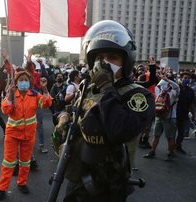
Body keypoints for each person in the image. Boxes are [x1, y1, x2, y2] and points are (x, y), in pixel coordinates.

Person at [61, 20, 155, 201]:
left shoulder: (137, 95)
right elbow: (79, 116)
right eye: (99, 57)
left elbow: (120, 131)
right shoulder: (87, 87)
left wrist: (106, 86)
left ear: (126, 60)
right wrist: (64, 119)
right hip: (77, 176)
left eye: (112, 57)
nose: (104, 63)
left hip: (109, 186)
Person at [0, 70, 52, 201]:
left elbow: (47, 104)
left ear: (30, 82)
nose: (24, 82)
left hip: (28, 135)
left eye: (26, 80)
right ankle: (2, 189)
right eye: (21, 80)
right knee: (9, 163)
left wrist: (45, 89)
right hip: (12, 135)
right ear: (16, 82)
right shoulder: (12, 94)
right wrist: (10, 95)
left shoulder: (35, 95)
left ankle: (22, 183)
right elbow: (6, 110)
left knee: (25, 162)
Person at [143, 76, 179, 161]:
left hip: (170, 118)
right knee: (156, 135)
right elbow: (156, 86)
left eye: (163, 84)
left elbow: (177, 87)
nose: (161, 86)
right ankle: (152, 151)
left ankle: (170, 154)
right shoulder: (160, 92)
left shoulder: (173, 92)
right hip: (159, 117)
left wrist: (168, 80)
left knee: (170, 137)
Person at [175, 72, 195, 154]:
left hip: (184, 114)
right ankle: (171, 148)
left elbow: (191, 103)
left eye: (188, 78)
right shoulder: (176, 88)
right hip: (174, 114)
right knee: (172, 132)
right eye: (185, 77)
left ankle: (178, 146)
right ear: (181, 78)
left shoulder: (190, 90)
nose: (187, 79)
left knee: (181, 132)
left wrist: (193, 114)